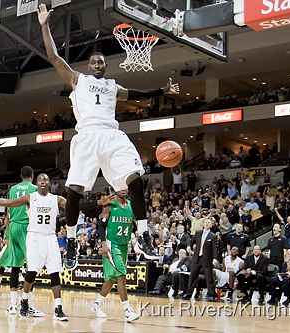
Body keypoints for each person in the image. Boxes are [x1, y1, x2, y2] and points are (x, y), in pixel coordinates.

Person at [37, 4, 178, 269]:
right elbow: (54, 57)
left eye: (101, 62)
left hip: (112, 135)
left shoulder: (114, 87)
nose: (98, 64)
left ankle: (144, 234)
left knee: (135, 182)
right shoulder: (78, 80)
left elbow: (136, 93)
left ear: (106, 65)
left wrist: (161, 90)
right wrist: (44, 25)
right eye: (94, 62)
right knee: (74, 192)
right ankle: (68, 244)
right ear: (89, 66)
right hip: (88, 136)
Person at [0, 174, 90, 321]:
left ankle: (58, 308)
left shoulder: (55, 198)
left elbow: (74, 205)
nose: (43, 182)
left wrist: (98, 202)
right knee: (31, 272)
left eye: (46, 179)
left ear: (49, 182)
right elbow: (8, 202)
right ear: (36, 183)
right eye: (40, 180)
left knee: (55, 273)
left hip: (50, 237)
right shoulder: (30, 197)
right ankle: (24, 301)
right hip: (34, 237)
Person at [90, 189, 141, 322]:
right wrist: (103, 244)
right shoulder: (110, 205)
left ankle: (97, 305)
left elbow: (137, 224)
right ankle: (127, 311)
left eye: (125, 187)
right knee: (121, 276)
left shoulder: (131, 205)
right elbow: (101, 225)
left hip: (124, 245)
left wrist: (138, 240)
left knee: (111, 279)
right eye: (120, 187)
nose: (123, 189)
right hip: (112, 245)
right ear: (116, 189)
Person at [0, 166, 40, 315]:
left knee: (15, 266)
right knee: (31, 266)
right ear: (32, 176)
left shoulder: (12, 189)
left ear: (21, 176)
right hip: (27, 227)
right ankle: (29, 304)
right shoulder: (35, 189)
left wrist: (7, 235)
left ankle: (12, 305)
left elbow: (7, 215)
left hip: (13, 226)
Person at [182, 218, 218, 301]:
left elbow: (215, 249)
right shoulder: (198, 233)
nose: (207, 223)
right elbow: (191, 241)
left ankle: (212, 294)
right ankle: (188, 294)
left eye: (209, 222)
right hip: (197, 258)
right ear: (203, 224)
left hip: (207, 259)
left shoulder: (213, 236)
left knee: (209, 278)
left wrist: (215, 258)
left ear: (211, 225)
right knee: (192, 277)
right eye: (205, 222)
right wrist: (188, 246)